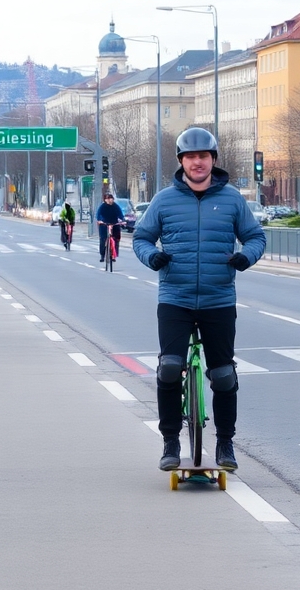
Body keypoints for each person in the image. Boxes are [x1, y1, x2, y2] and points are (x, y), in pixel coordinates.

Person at [133, 127, 266, 472]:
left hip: (218, 298)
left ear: (213, 159)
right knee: (169, 368)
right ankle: (170, 441)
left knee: (223, 375)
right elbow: (141, 238)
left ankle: (225, 443)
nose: (197, 162)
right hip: (174, 297)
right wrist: (152, 257)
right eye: (190, 157)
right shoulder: (164, 200)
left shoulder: (232, 199)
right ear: (181, 161)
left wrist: (246, 256)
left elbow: (255, 237)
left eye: (203, 156)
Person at [95, 193, 124, 262]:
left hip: (114, 224)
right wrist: (100, 220)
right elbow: (98, 215)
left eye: (111, 199)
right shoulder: (102, 207)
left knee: (116, 239)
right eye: (108, 199)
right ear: (105, 200)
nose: (110, 200)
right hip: (104, 224)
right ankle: (102, 255)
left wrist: (122, 220)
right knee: (103, 239)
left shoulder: (116, 206)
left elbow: (120, 215)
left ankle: (114, 255)